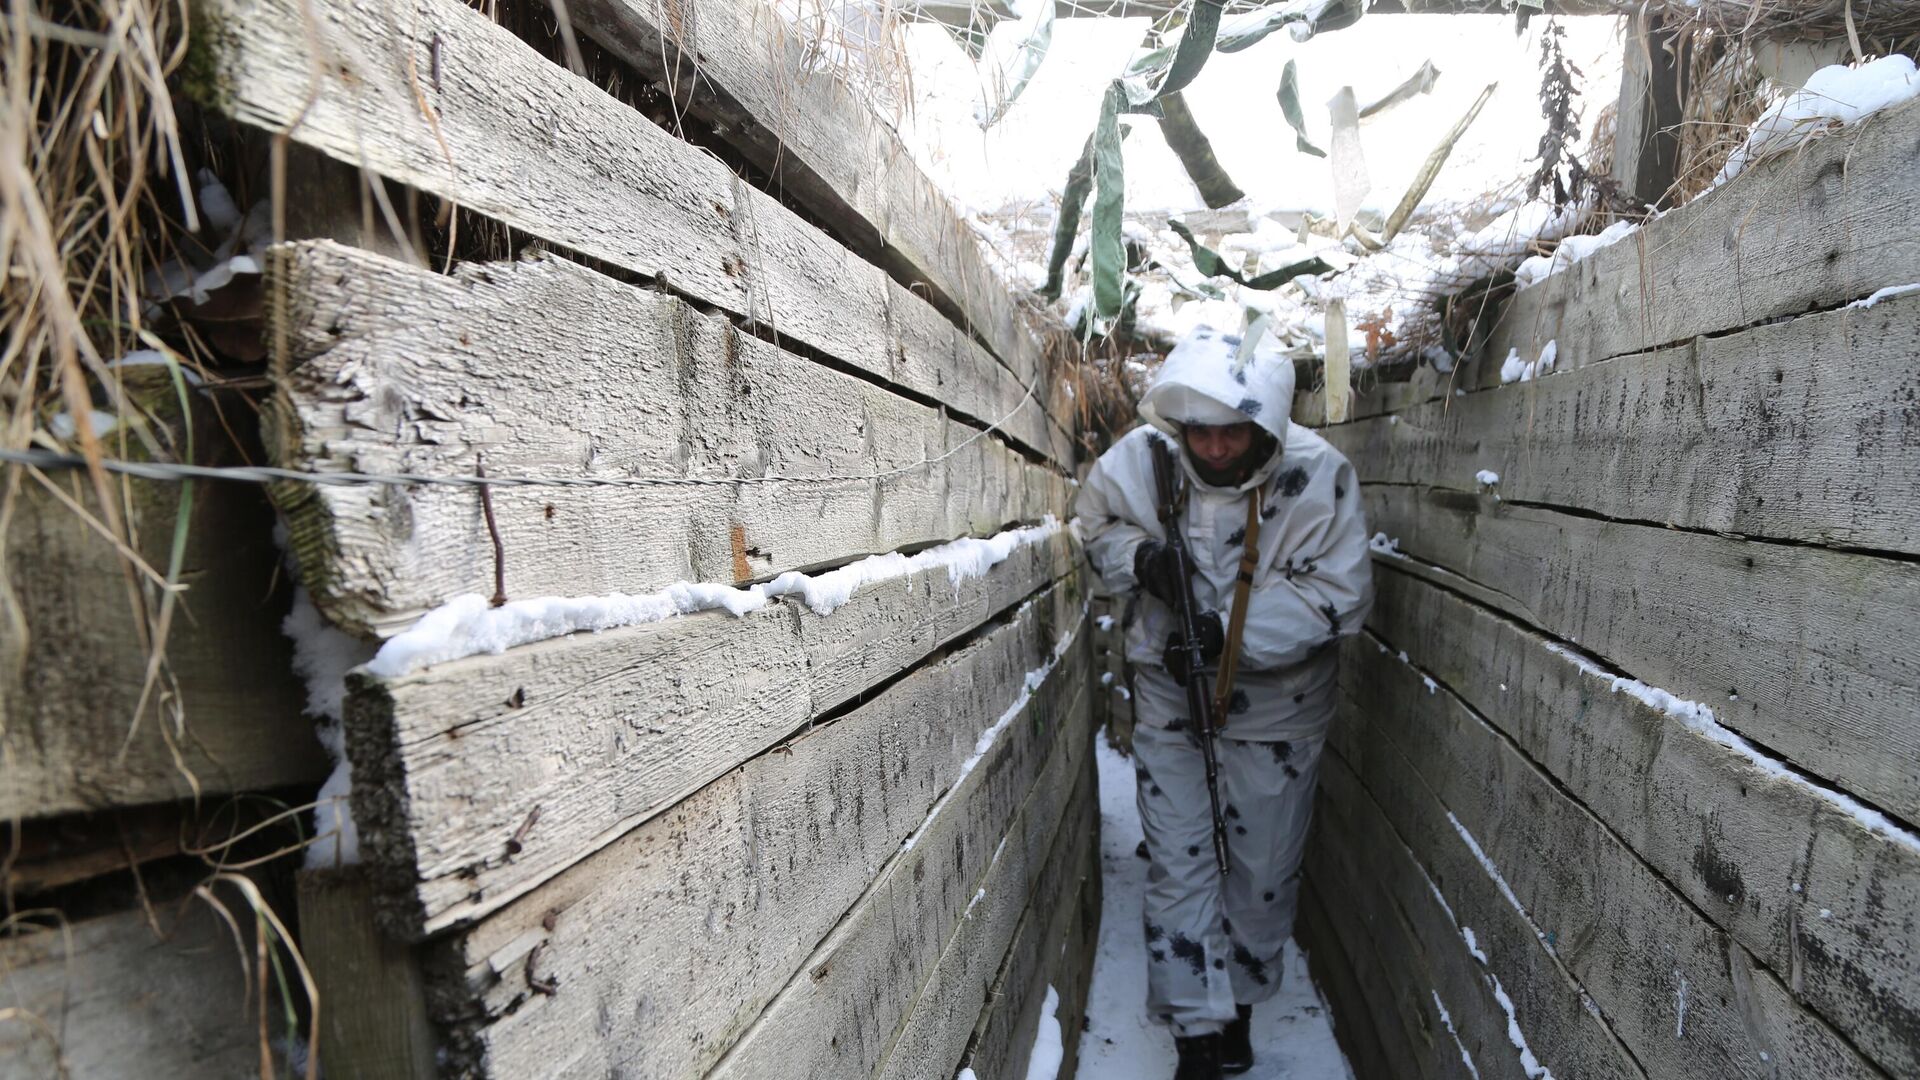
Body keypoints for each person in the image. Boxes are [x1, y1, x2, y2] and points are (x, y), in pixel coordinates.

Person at [1076, 326, 1374, 1079]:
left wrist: (1224, 631)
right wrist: (1140, 561)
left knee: (1261, 868)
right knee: (1179, 862)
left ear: (1265, 427)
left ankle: (1237, 1003)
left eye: (1230, 432)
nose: (1212, 449)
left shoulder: (1320, 478)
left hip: (1278, 711)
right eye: (1199, 432)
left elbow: (1340, 597)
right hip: (1171, 701)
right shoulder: (1141, 465)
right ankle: (1198, 1035)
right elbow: (1095, 525)